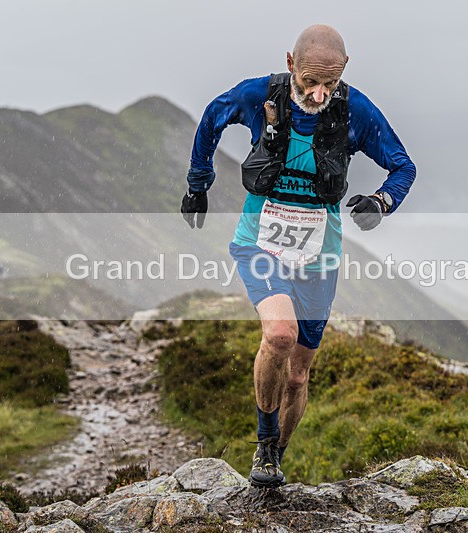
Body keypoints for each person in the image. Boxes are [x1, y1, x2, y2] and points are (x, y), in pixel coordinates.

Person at [181, 24, 416, 488]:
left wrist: (382, 202)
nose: (318, 92)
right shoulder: (259, 95)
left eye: (329, 82)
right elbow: (211, 116)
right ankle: (264, 444)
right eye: (310, 80)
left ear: (344, 70)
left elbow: (403, 166)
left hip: (319, 256)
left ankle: (275, 458)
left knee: (298, 375)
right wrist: (197, 183)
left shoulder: (356, 111)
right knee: (281, 335)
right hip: (260, 242)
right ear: (291, 63)